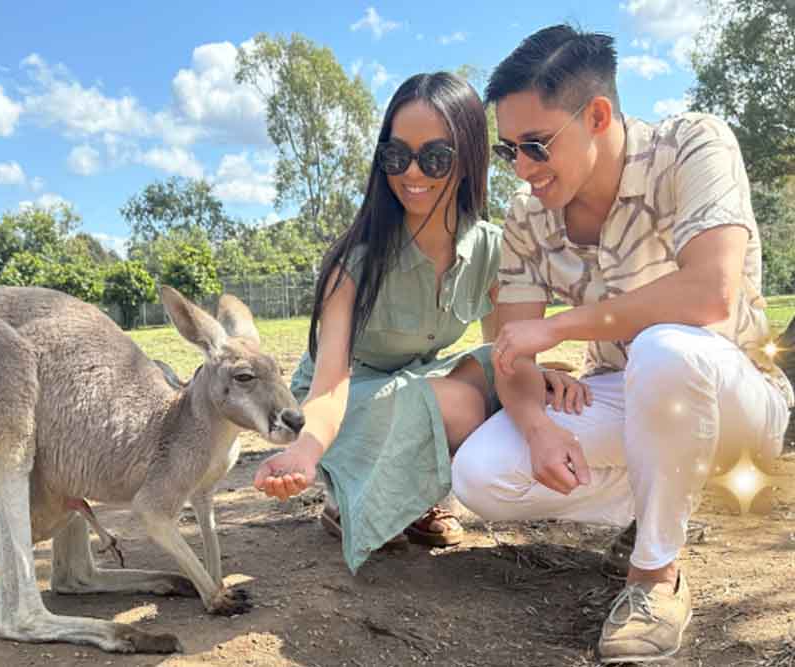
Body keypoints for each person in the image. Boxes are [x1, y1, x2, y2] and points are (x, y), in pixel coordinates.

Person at [451, 25, 794, 663]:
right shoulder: (528, 218)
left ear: (598, 115)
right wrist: (534, 425)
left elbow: (710, 293)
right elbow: (514, 355)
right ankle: (666, 496)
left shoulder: (693, 145)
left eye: (536, 145)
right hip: (626, 396)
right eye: (509, 152)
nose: (522, 170)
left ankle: (656, 576)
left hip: (735, 395)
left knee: (666, 350)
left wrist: (558, 327)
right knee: (480, 475)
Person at [253, 72, 588, 574]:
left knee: (524, 380)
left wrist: (534, 380)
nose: (413, 172)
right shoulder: (353, 262)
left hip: (414, 383)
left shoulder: (496, 249)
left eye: (435, 157)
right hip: (348, 403)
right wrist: (304, 450)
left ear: (470, 158)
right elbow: (329, 387)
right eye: (396, 155)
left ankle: (412, 494)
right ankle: (352, 497)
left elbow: (506, 357)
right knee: (459, 403)